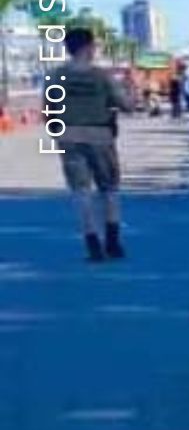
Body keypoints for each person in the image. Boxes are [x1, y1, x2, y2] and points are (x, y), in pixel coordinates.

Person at [50, 28, 133, 262]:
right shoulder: (102, 76)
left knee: (81, 191)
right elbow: (126, 105)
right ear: (88, 47)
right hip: (100, 136)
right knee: (109, 189)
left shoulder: (56, 75)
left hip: (69, 136)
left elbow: (49, 108)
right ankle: (113, 241)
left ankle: (92, 242)